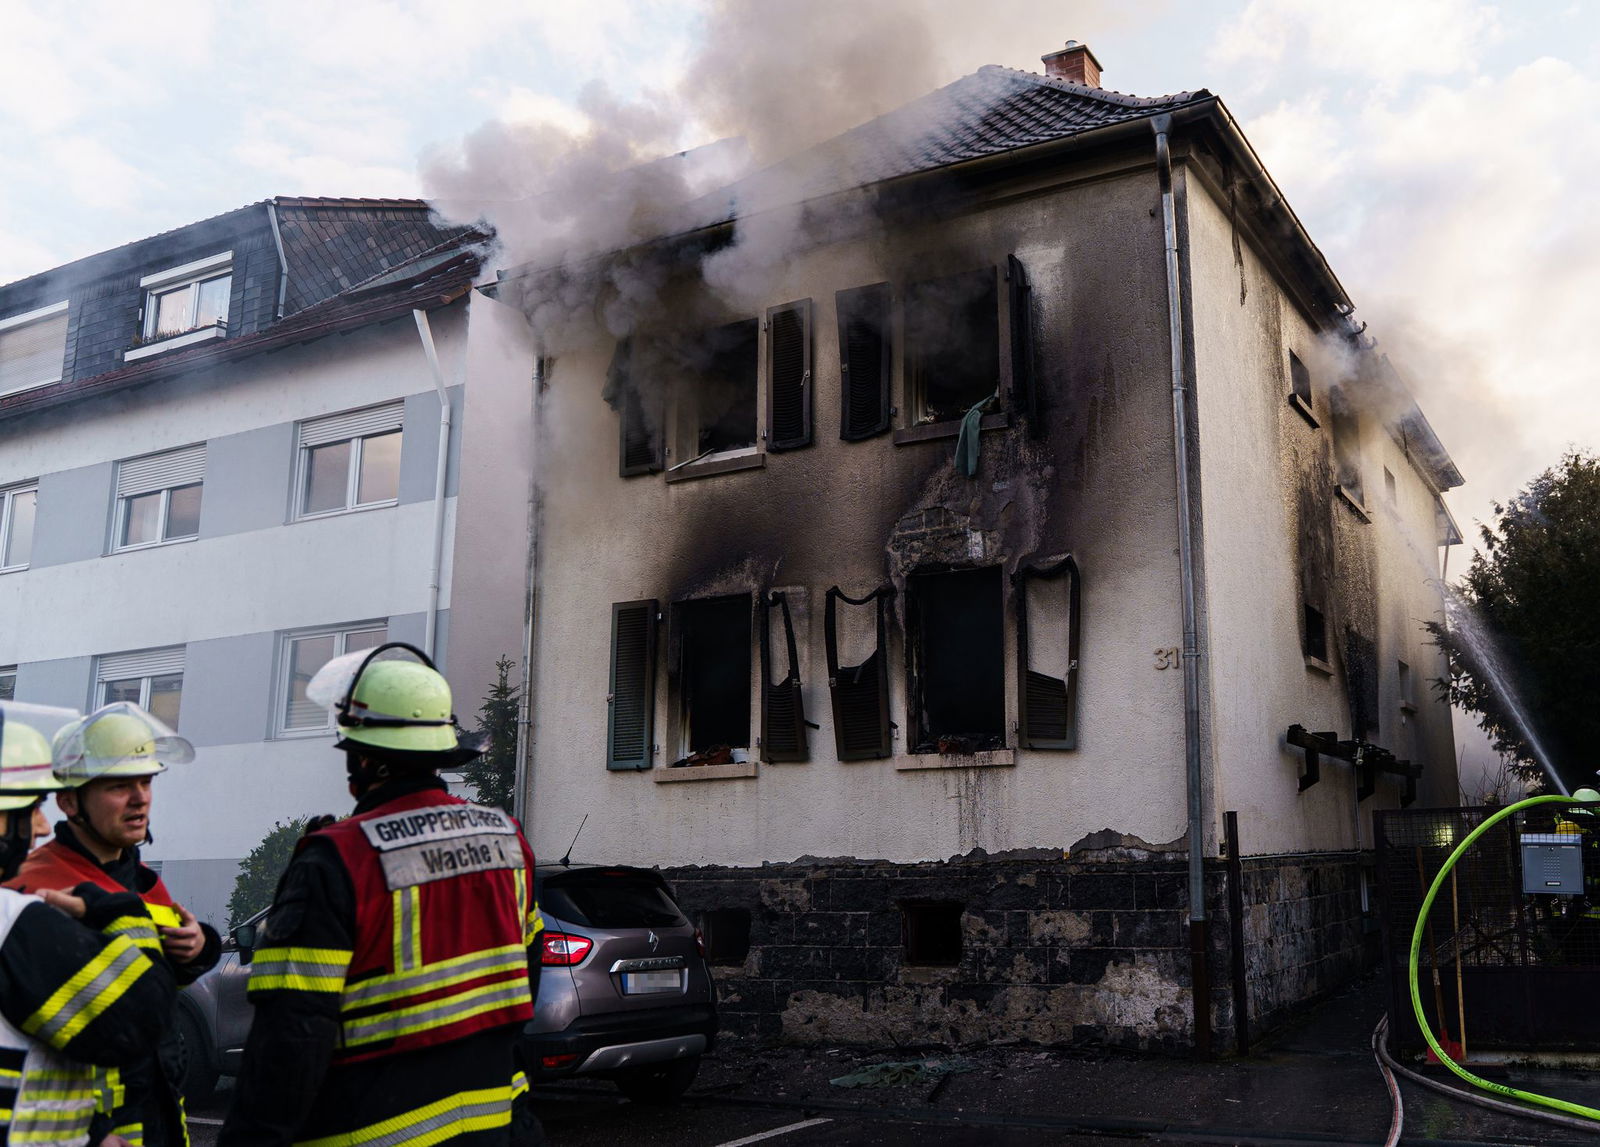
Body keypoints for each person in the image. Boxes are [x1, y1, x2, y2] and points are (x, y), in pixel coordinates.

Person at [219, 643, 545, 1147]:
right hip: (494, 1124)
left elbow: (290, 1040)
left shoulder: (336, 859)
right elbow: (529, 970)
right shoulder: (506, 838)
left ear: (366, 760)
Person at [7, 702, 218, 1146]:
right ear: (69, 801)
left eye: (146, 781)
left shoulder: (145, 884)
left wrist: (200, 949)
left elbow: (155, 972)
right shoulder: (34, 886)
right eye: (120, 786)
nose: (140, 797)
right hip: (90, 1116)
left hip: (160, 1109)